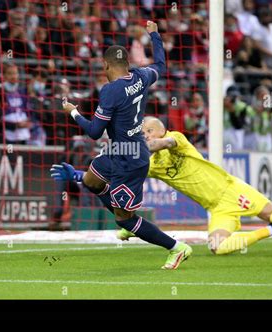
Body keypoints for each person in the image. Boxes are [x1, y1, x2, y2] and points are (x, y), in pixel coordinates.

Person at [54, 117, 272, 258]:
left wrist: (144, 144)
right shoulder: (149, 163)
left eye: (146, 130)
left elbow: (163, 143)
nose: (143, 134)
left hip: (231, 190)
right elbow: (114, 173)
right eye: (140, 131)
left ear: (158, 130)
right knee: (216, 248)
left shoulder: (176, 139)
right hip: (216, 208)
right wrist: (80, 176)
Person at [56, 21, 192, 270]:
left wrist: (74, 113)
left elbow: (95, 132)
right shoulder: (141, 76)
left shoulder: (110, 91)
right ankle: (125, 215)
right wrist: (154, 35)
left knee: (125, 222)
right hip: (119, 152)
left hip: (130, 161)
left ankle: (176, 247)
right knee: (90, 180)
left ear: (106, 65)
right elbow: (161, 65)